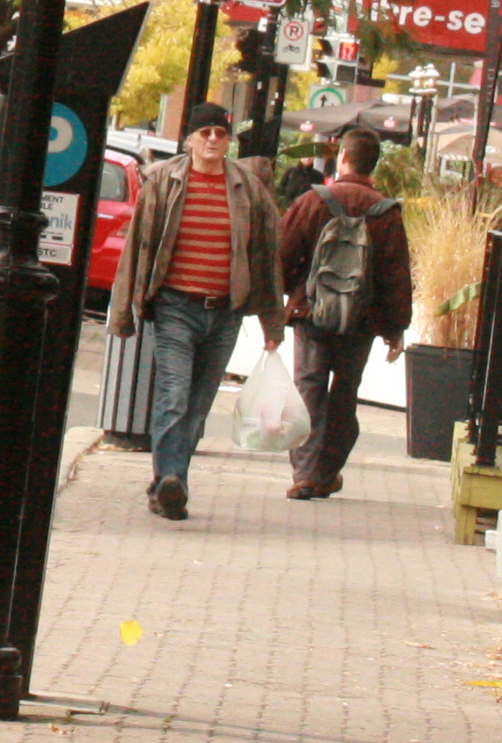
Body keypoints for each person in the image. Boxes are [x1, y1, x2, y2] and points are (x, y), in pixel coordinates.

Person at [106, 103, 286, 522]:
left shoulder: (248, 189)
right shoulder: (164, 182)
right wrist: (123, 314)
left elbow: (266, 259)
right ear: (188, 139)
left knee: (199, 403)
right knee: (174, 394)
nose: (211, 139)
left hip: (225, 312)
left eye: (219, 134)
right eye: (203, 132)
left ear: (229, 141)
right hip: (174, 306)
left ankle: (165, 484)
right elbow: (137, 248)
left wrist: (271, 324)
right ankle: (173, 479)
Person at [276, 124, 417, 500]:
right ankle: (327, 471)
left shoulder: (312, 200)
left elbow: (283, 254)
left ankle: (304, 473)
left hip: (312, 316)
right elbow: (395, 273)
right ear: (374, 164)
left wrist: (290, 297)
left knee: (309, 388)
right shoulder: (386, 212)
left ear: (343, 158)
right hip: (362, 321)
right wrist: (395, 328)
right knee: (344, 394)